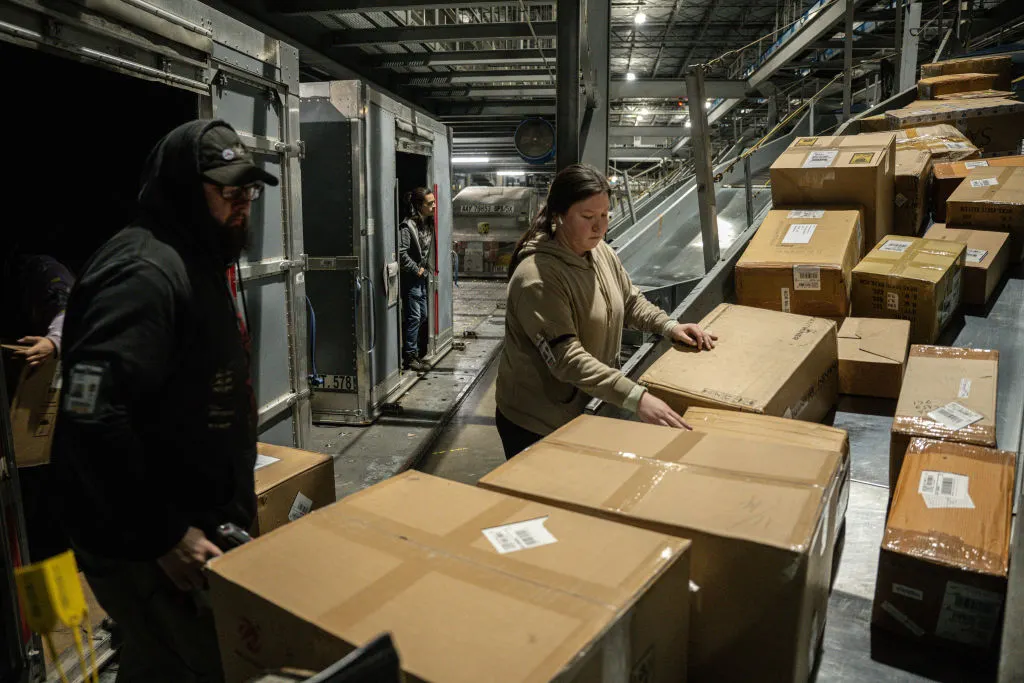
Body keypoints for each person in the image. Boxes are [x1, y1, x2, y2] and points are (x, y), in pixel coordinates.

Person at [51, 119, 278, 683]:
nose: (242, 204)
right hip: (151, 545)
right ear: (181, 190)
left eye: (248, 191)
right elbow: (92, 414)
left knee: (161, 665)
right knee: (199, 666)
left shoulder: (195, 256)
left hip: (191, 526)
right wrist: (166, 534)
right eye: (226, 190)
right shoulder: (142, 272)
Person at [495, 164, 718, 459]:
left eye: (604, 215)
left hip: (582, 407)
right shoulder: (537, 279)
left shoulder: (600, 252)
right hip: (538, 422)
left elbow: (630, 301)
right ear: (558, 215)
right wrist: (635, 397)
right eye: (588, 217)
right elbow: (567, 359)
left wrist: (669, 326)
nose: (599, 227)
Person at [0, 250, 75, 564]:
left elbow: (69, 313)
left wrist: (53, 342)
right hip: (14, 436)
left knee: (44, 520)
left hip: (41, 427)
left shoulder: (37, 271)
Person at [398, 187, 436, 372]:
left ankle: (414, 353)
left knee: (423, 315)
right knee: (414, 316)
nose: (434, 206)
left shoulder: (427, 223)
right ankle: (409, 356)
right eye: (430, 203)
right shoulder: (407, 226)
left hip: (421, 277)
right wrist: (416, 269)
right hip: (412, 278)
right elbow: (401, 253)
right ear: (420, 206)